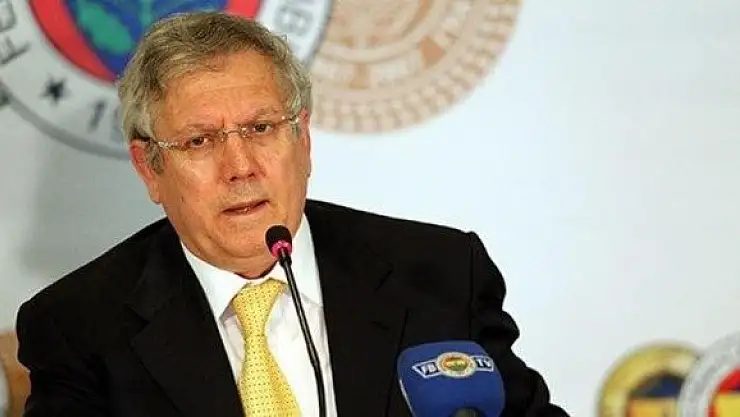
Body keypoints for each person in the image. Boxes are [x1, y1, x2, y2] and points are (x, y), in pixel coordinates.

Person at [14, 11, 569, 417]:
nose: (240, 167)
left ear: (302, 138)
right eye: (199, 141)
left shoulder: (440, 274)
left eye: (261, 128)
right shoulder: (78, 328)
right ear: (149, 168)